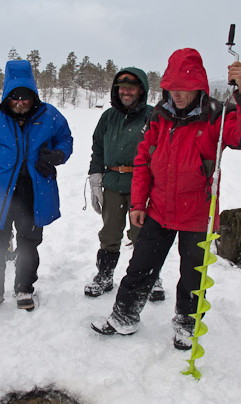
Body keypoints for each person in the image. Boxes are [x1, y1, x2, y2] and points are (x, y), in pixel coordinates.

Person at [91, 48, 241, 349]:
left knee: (192, 276)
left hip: (197, 213)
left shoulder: (215, 117)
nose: (177, 94)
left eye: (184, 87)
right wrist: (138, 203)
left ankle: (186, 323)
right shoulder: (160, 116)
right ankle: (124, 316)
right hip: (158, 209)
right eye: (172, 87)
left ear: (199, 86)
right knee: (140, 267)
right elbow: (143, 161)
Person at [0, 60, 73, 317]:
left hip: (34, 191)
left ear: (33, 96)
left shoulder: (49, 115)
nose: (20, 102)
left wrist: (57, 155)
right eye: (14, 97)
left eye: (25, 97)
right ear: (7, 96)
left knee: (29, 242)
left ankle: (24, 288)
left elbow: (66, 140)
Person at [85, 67, 165, 302]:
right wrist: (95, 178)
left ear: (141, 89)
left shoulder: (153, 116)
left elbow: (161, 152)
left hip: (142, 185)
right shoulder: (108, 117)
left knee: (144, 234)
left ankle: (151, 277)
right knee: (109, 233)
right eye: (122, 88)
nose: (126, 92)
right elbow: (97, 148)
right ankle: (105, 274)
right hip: (112, 183)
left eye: (131, 87)